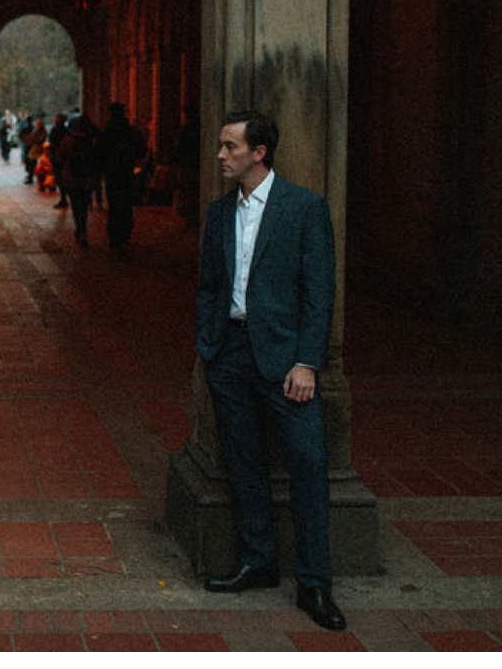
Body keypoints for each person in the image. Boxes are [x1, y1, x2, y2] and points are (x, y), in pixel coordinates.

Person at [195, 110, 344, 632]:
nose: (220, 155)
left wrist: (308, 362)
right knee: (243, 462)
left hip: (287, 364)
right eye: (221, 146)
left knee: (307, 464)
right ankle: (258, 562)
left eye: (230, 147)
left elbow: (319, 292)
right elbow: (211, 284)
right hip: (231, 356)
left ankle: (315, 582)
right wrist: (209, 343)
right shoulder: (219, 213)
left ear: (259, 153)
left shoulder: (304, 208)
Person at [98, 102, 145, 248]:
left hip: (112, 173)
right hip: (126, 172)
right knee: (126, 204)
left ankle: (114, 235)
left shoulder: (107, 132)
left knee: (114, 204)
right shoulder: (131, 131)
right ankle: (124, 234)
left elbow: (100, 152)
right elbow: (141, 151)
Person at [53, 114, 101, 245]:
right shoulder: (94, 142)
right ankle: (83, 229)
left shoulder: (68, 141)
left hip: (71, 178)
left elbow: (59, 157)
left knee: (76, 206)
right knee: (84, 205)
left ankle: (80, 229)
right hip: (87, 178)